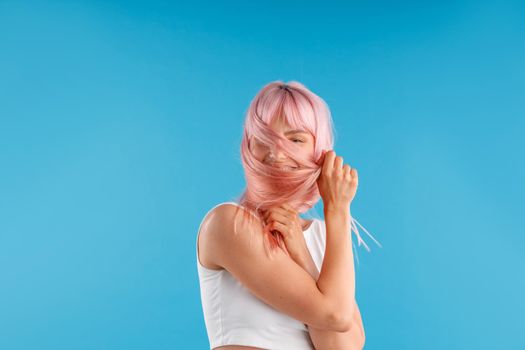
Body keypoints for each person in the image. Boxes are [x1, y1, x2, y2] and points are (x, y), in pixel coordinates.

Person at [196, 81, 377, 350]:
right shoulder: (228, 224)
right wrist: (337, 210)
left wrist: (303, 252)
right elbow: (334, 315)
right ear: (248, 145)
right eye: (265, 138)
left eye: (295, 139)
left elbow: (342, 347)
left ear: (321, 153)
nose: (278, 153)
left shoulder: (323, 236)